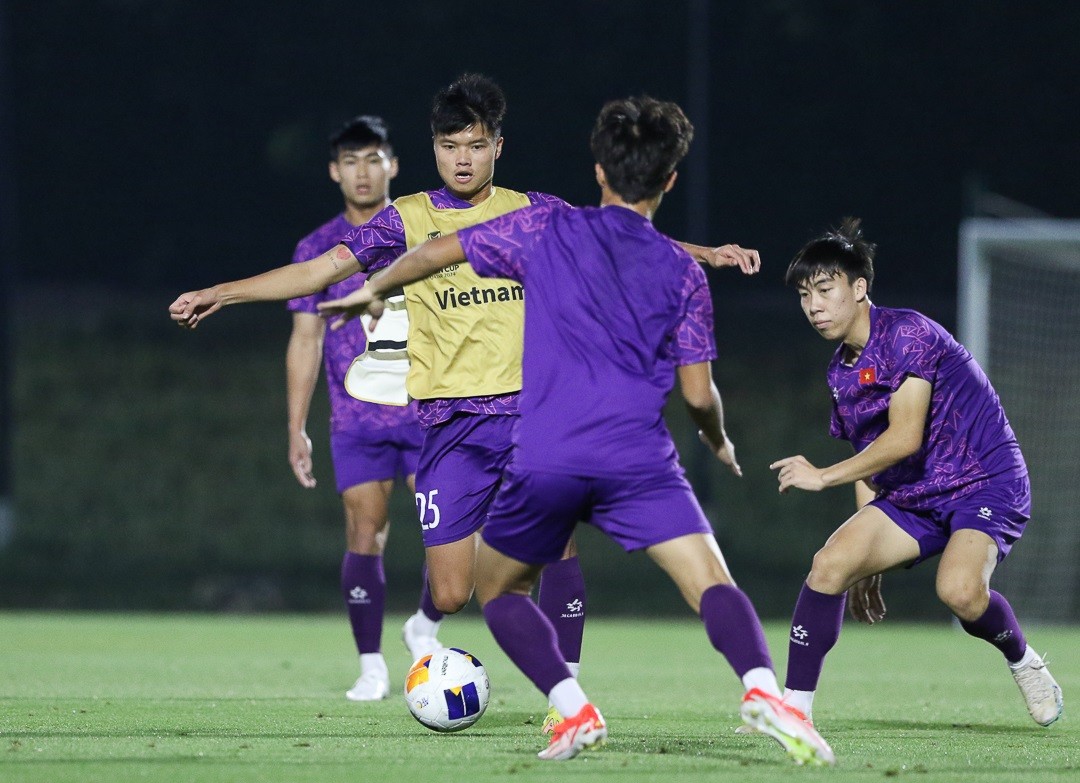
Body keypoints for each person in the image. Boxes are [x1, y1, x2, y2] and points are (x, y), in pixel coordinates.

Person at [169, 74, 756, 733]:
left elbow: (621, 234)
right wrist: (223, 290)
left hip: (533, 415)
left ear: (497, 146)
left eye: (476, 145)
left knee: (556, 554)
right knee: (452, 591)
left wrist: (705, 253)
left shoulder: (532, 210)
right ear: (434, 149)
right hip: (449, 424)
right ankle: (432, 626)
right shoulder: (407, 219)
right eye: (451, 146)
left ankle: (568, 698)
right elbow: (319, 271)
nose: (463, 159)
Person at [318, 96, 836, 765]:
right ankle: (764, 691)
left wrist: (372, 287)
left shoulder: (545, 230)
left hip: (548, 453)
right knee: (711, 582)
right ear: (670, 181)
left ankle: (573, 709)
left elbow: (438, 251)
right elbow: (699, 394)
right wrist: (716, 438)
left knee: (499, 590)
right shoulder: (682, 271)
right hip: (639, 457)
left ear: (598, 171)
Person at [770, 217, 1063, 728]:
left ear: (859, 288)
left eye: (824, 289)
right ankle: (794, 712)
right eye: (803, 295)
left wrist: (822, 476)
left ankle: (1023, 661)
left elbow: (903, 437)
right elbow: (873, 456)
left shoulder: (906, 333)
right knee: (830, 565)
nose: (813, 306)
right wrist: (869, 555)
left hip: (983, 480)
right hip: (915, 493)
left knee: (959, 592)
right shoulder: (841, 370)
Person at [284, 115, 442, 702]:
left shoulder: (422, 234)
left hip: (429, 412)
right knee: (364, 532)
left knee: (452, 536)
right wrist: (296, 426)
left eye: (373, 158)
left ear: (393, 166)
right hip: (358, 421)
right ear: (334, 171)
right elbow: (305, 338)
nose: (362, 171)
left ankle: (424, 624)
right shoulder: (317, 250)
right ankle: (373, 665)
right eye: (351, 160)